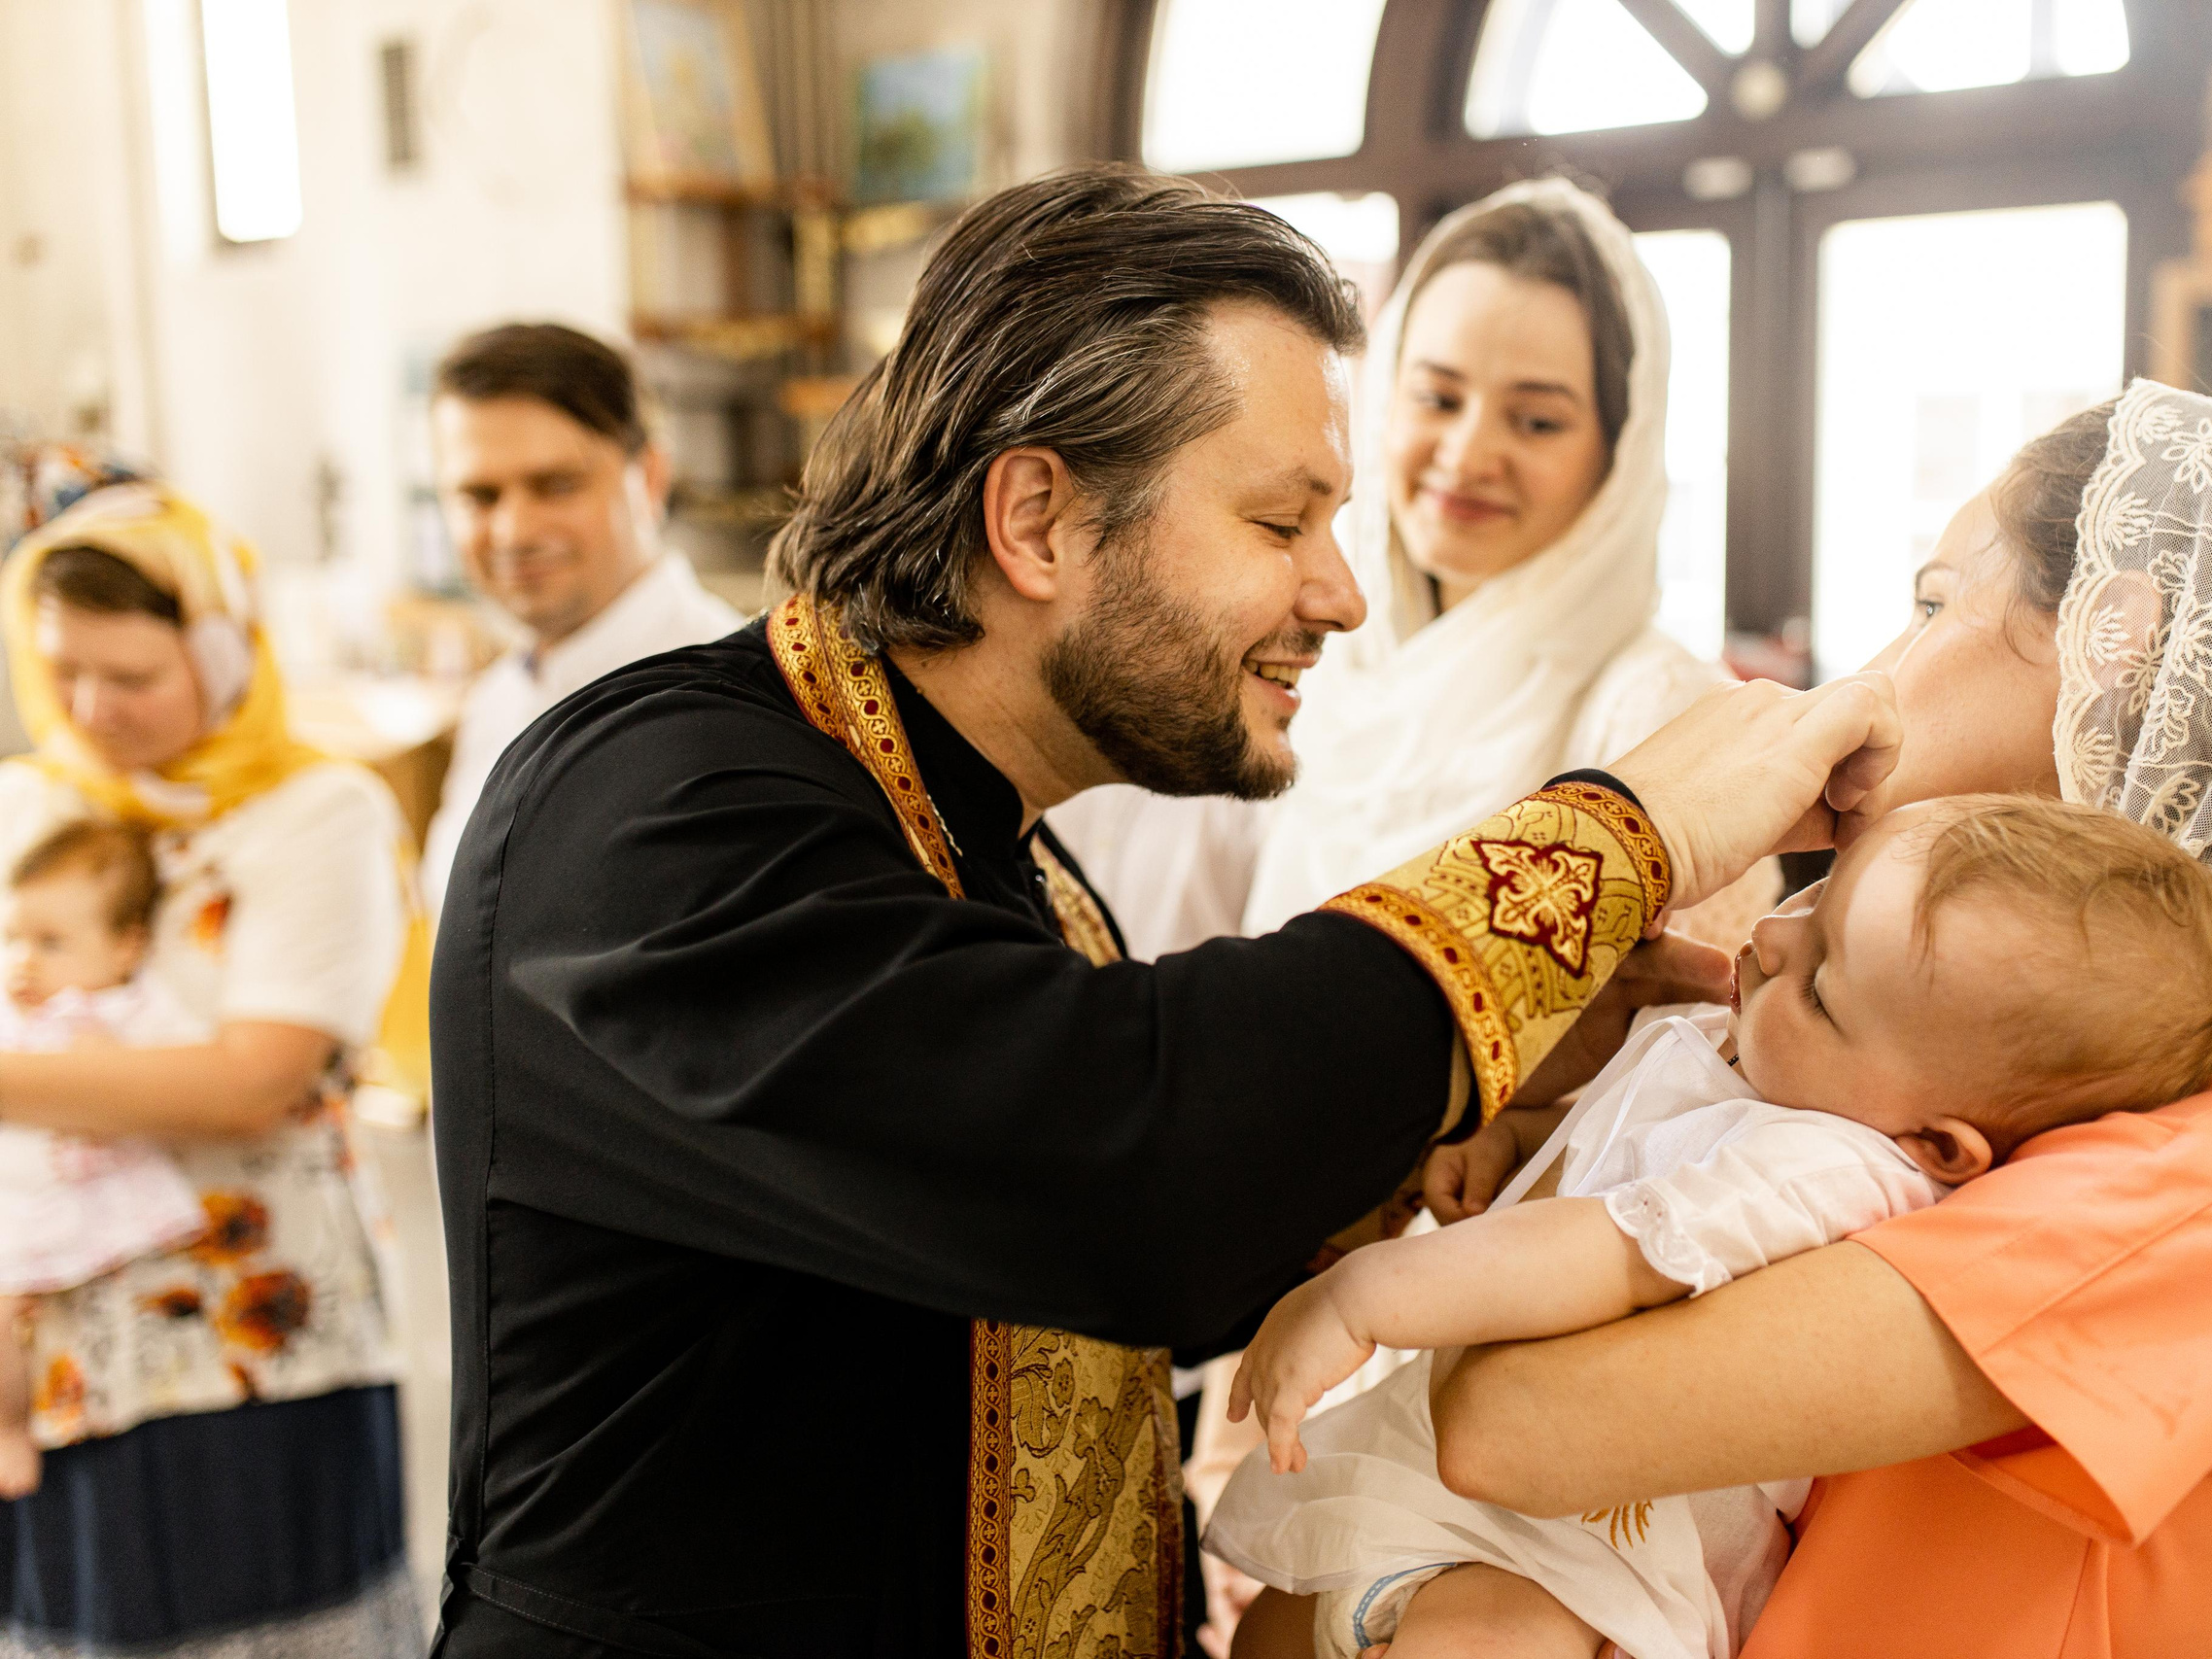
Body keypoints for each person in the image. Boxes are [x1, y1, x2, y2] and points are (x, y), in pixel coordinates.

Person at [426, 166, 1899, 1659]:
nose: (1340, 589)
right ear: (1041, 519)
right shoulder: (658, 801)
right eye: (1280, 519)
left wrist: (1474, 1111)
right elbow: (1121, 1162)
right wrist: (1615, 836)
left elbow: (1039, 1228)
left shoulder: (998, 844)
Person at [1364, 382, 2212, 1659]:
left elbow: (1509, 1418)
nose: (1877, 671)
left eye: (1935, 601)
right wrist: (1557, 1074)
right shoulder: (2010, 1054)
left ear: (2115, 638)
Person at [1209, 795, 2212, 1659]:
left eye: (1826, 981)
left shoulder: (1834, 1167)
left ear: (1936, 1146)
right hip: (1471, 1502)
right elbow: (1619, 1147)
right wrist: (1517, 1136)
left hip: (1579, 1563)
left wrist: (1365, 1297)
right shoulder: (1770, 1061)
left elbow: (1615, 1249)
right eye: (1818, 896)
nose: (1774, 935)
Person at [1053, 178, 1777, 962]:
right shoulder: (1313, 662)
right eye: (1437, 397)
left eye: (1536, 420)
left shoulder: (1659, 714)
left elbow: (1683, 1053)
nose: (1467, 456)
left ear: (1619, 452)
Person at [0, 483, 424, 1656]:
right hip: (56, 1351)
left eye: (131, 676)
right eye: (63, 671)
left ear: (223, 650)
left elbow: (256, 1079)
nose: (92, 709)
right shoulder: (29, 802)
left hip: (252, 1347)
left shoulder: (315, 812)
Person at [419, 322, 746, 913]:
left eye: (556, 486)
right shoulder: (498, 699)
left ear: (649, 479)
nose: (514, 531)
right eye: (480, 496)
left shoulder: (725, 702)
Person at [0, 820, 208, 1499]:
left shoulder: (131, 1007)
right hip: (24, 1196)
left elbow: (181, 1069)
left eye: (51, 943)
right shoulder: (15, 1011)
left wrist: (106, 1064)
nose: (24, 960)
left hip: (91, 1197)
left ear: (127, 947)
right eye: (15, 938)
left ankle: (14, 1431)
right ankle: (10, 1425)